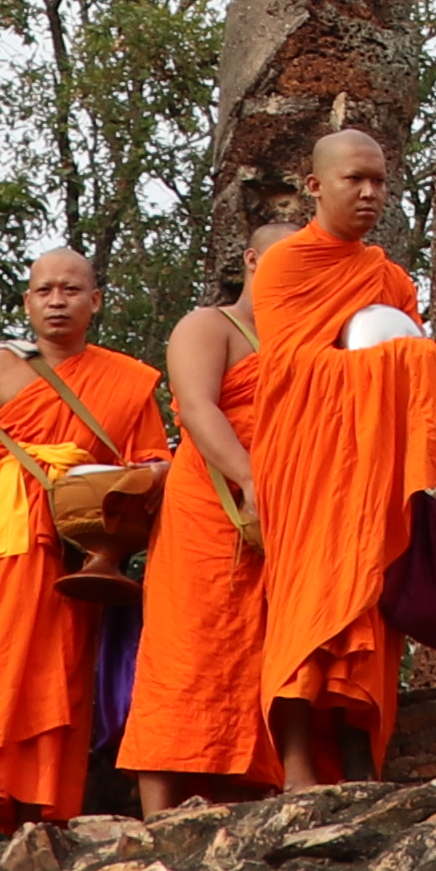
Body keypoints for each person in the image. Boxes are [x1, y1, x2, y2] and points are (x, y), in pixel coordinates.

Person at [0, 253, 170, 835]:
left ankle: (40, 820)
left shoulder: (128, 380)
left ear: (96, 301)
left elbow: (157, 464)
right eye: (43, 290)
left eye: (70, 289)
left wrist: (128, 483)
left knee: (57, 677)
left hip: (76, 551)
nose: (56, 300)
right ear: (28, 303)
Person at [242, 129, 436, 793]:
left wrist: (415, 359)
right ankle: (299, 768)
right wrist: (403, 361)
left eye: (380, 181)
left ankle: (362, 760)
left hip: (372, 470)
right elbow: (292, 366)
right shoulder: (286, 265)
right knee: (307, 608)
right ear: (315, 186)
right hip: (306, 462)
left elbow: (419, 356)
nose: (369, 193)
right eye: (354, 179)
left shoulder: (388, 276)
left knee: (371, 609)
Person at [120, 267, 277, 806]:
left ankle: (252, 794)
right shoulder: (210, 325)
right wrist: (249, 476)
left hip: (285, 509)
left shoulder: (306, 333)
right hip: (210, 503)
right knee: (186, 648)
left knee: (263, 648)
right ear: (255, 263)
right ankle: (160, 813)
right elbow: (197, 405)